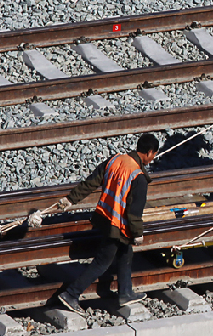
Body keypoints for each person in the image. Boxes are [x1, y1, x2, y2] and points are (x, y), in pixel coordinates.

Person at [57, 134, 159, 315]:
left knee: (125, 253)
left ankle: (125, 292)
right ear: (149, 152)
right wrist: (137, 234)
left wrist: (70, 199)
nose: (153, 158)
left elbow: (91, 182)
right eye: (154, 154)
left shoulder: (116, 159)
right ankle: (71, 294)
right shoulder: (139, 177)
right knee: (102, 262)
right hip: (116, 225)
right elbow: (134, 212)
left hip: (103, 217)